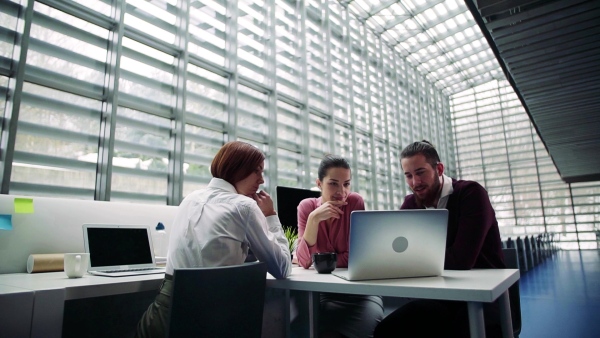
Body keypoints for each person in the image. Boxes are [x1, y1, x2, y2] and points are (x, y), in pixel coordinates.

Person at [135, 141, 292, 338]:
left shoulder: (190, 199)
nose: (261, 180)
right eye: (256, 171)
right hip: (213, 320)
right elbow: (282, 268)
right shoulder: (244, 206)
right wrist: (270, 215)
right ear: (237, 169)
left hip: (163, 317)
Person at [374, 140, 506, 338]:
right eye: (408, 176)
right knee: (386, 331)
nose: (415, 183)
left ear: (439, 169)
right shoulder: (411, 204)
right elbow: (398, 253)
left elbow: (461, 260)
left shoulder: (471, 194)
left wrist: (413, 260)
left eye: (420, 172)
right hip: (439, 297)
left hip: (482, 299)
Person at [295, 155, 384, 338]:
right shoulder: (307, 207)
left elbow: (356, 257)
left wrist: (319, 260)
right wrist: (314, 219)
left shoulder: (355, 202)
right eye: (333, 183)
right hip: (324, 295)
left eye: (346, 184)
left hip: (360, 294)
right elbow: (304, 261)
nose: (342, 191)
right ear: (319, 184)